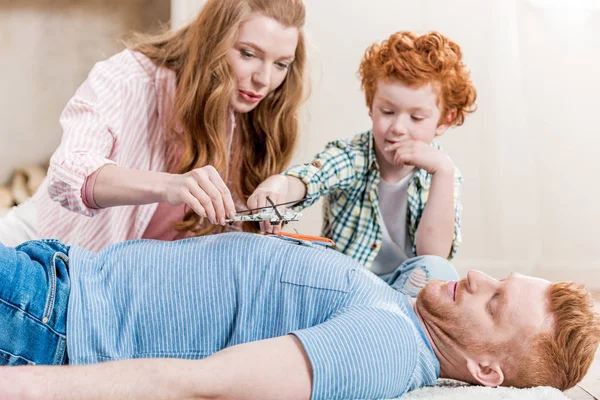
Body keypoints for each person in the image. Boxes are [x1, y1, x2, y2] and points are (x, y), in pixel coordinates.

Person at [0, 232, 598, 400]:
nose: (478, 278)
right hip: (62, 276)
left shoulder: (384, 348)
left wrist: (24, 389)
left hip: (49, 324)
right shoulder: (416, 305)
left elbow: (201, 384)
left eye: (495, 301)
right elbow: (432, 255)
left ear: (486, 370)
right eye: (500, 277)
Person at [0, 0, 307, 251]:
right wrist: (170, 185)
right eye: (248, 54)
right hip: (35, 249)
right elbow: (67, 174)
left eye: (281, 63)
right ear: (214, 39)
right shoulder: (130, 77)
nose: (264, 80)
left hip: (114, 286)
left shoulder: (258, 120)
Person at [248, 31, 477, 278]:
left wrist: (443, 172)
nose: (398, 128)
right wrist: (279, 185)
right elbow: (313, 176)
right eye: (388, 112)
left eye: (416, 117)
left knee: (440, 272)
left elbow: (433, 257)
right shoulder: (353, 156)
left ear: (445, 120)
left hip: (403, 290)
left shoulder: (444, 174)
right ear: (371, 106)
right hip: (348, 281)